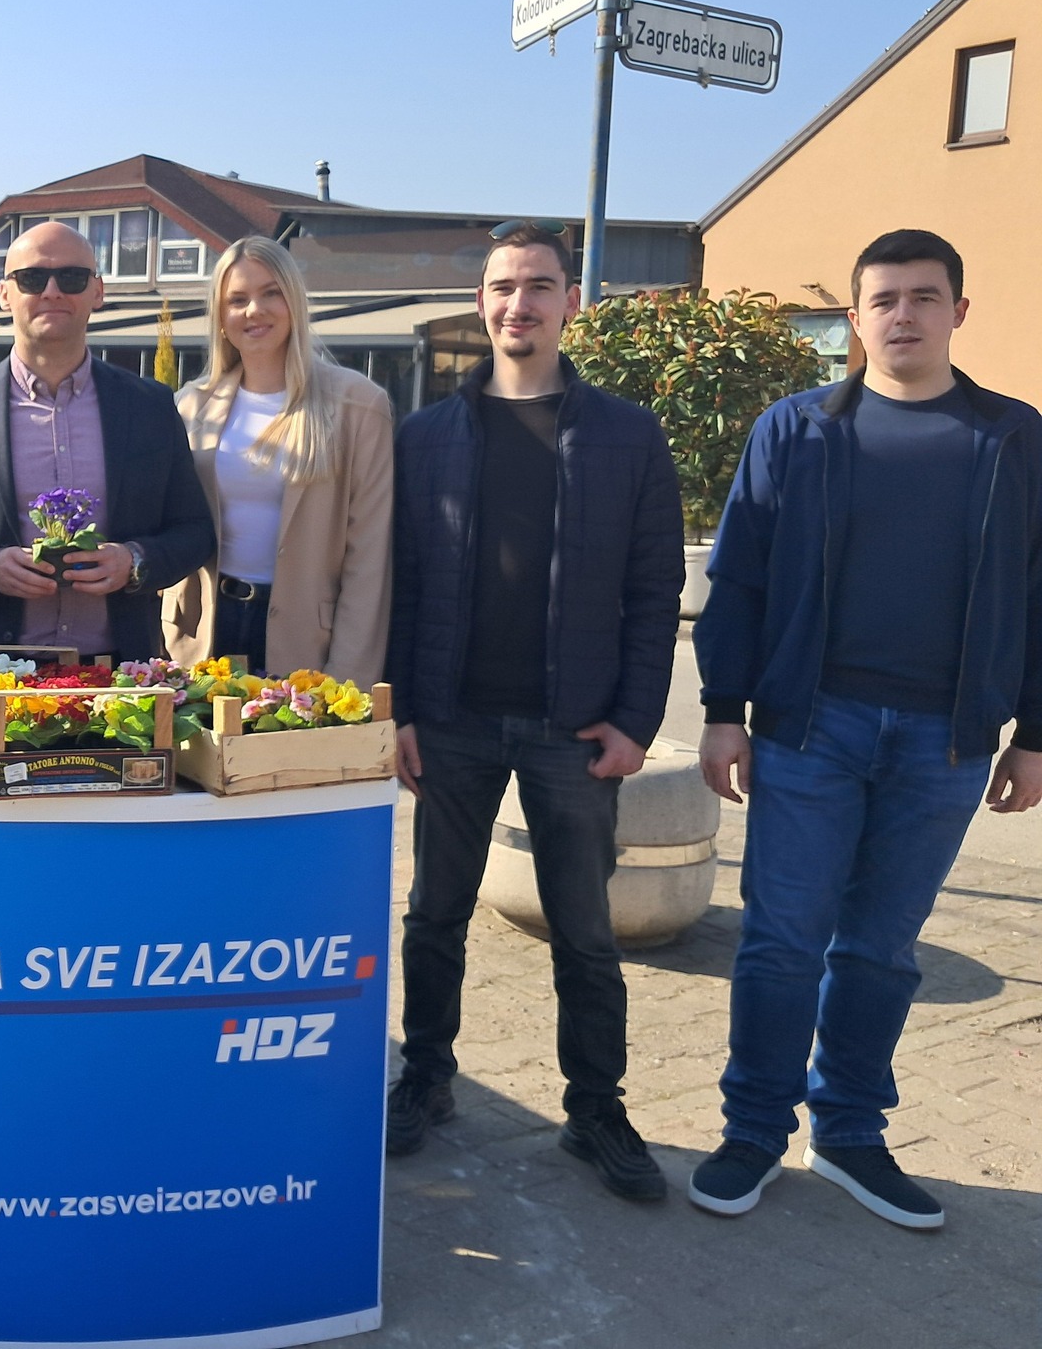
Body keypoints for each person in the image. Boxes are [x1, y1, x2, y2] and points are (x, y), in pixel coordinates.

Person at [689, 229, 1042, 1228]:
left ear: (958, 312)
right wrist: (721, 712)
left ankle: (846, 1133)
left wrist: (1032, 733)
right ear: (853, 317)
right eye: (882, 299)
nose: (902, 315)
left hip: (945, 741)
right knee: (780, 943)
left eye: (923, 297)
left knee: (881, 950)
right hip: (809, 729)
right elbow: (738, 578)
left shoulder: (1013, 437)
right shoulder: (796, 428)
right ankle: (754, 1129)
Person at [383, 220, 684, 1201]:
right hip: (452, 722)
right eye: (503, 286)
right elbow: (402, 584)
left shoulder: (627, 435)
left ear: (571, 302)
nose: (520, 303)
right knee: (434, 915)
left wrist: (634, 719)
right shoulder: (426, 436)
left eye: (539, 286)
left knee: (585, 934)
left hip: (575, 730)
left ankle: (594, 1109)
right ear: (481, 303)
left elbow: (654, 590)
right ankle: (426, 1077)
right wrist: (401, 711)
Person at [0, 220, 213, 661]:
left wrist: (134, 561)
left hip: (121, 678)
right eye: (32, 278)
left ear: (97, 292)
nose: (52, 291)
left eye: (72, 277)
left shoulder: (149, 406)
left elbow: (194, 531)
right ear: (5, 294)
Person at [164, 236, 393, 678]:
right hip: (204, 636)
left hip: (309, 643)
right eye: (238, 300)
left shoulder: (359, 405)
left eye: (271, 293)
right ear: (220, 317)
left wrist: (350, 677)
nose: (255, 310)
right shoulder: (189, 405)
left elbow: (369, 558)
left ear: (294, 302)